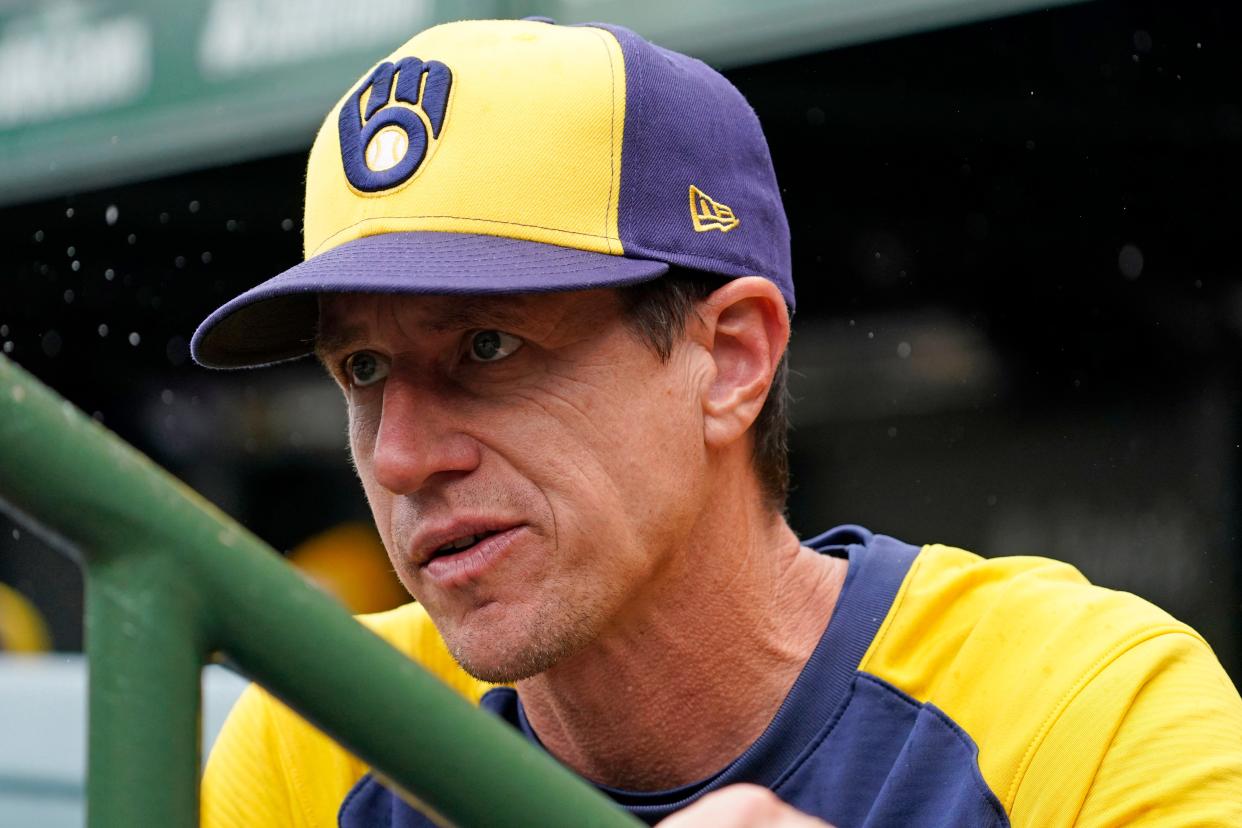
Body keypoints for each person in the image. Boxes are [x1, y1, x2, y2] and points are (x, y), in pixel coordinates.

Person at [193, 17, 1242, 827]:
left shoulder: (1085, 711)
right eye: (363, 368)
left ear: (731, 358)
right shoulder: (319, 728)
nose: (404, 454)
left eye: (487, 348)